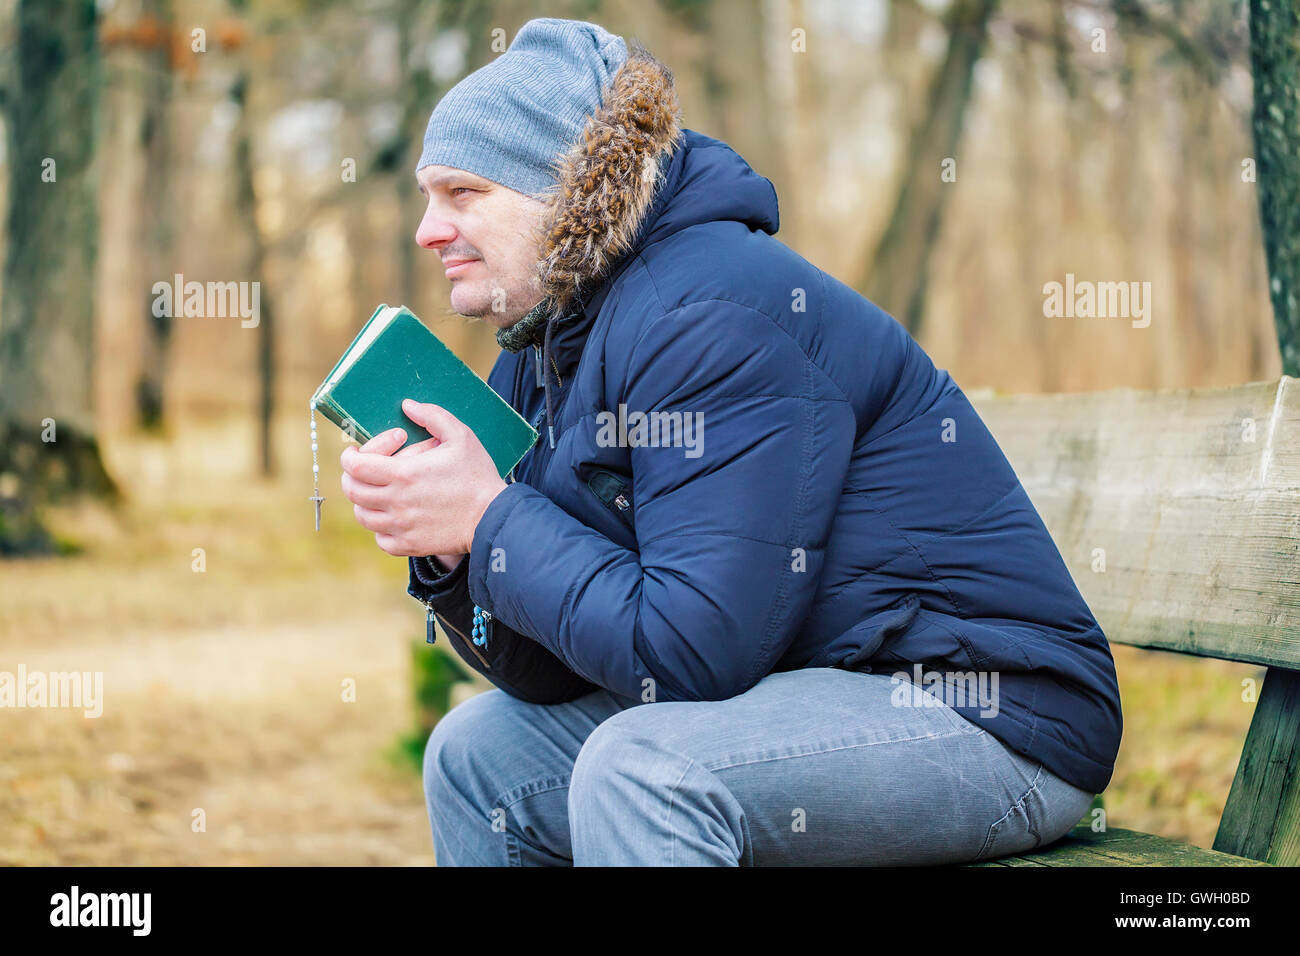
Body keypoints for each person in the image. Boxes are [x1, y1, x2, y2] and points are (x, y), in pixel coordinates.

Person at [339, 16, 1122, 866]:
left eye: (462, 193)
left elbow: (690, 652)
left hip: (985, 715)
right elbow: (553, 675)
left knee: (643, 771)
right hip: (800, 693)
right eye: (427, 195)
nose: (427, 229)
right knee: (476, 757)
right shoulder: (547, 348)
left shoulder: (712, 315)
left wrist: (491, 519)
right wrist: (458, 555)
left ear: (559, 193)